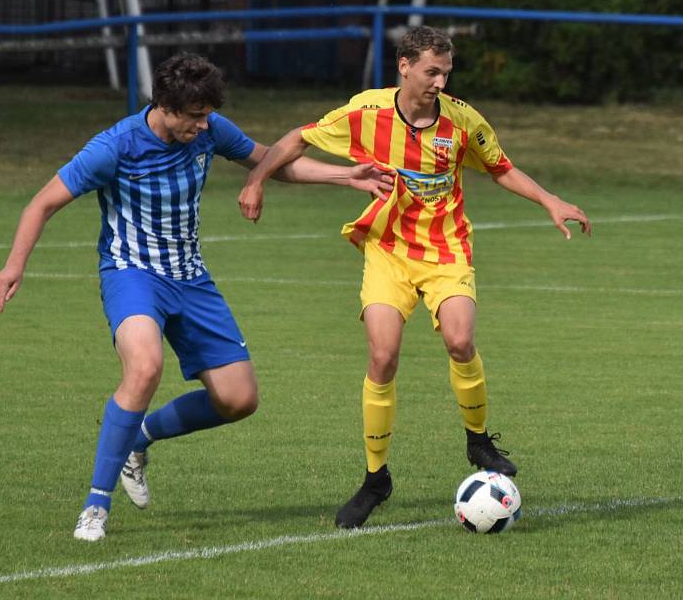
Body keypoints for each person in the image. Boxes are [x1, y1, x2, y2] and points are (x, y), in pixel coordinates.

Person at [0, 52, 393, 541]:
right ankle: (95, 507)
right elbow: (44, 202)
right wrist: (14, 265)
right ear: (164, 106)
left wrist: (344, 175)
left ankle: (139, 438)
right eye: (195, 117)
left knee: (239, 399)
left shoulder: (209, 128)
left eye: (208, 116)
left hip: (190, 278)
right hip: (132, 274)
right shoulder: (114, 147)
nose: (204, 127)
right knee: (144, 367)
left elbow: (270, 159)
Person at [239, 26, 591, 529]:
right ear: (404, 66)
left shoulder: (462, 119)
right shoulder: (367, 111)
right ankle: (375, 479)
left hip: (447, 249)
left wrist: (550, 200)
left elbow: (501, 167)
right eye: (432, 71)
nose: (440, 82)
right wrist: (256, 181)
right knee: (382, 357)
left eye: (446, 72)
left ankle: (478, 439)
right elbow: (297, 139)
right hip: (388, 251)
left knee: (460, 339)